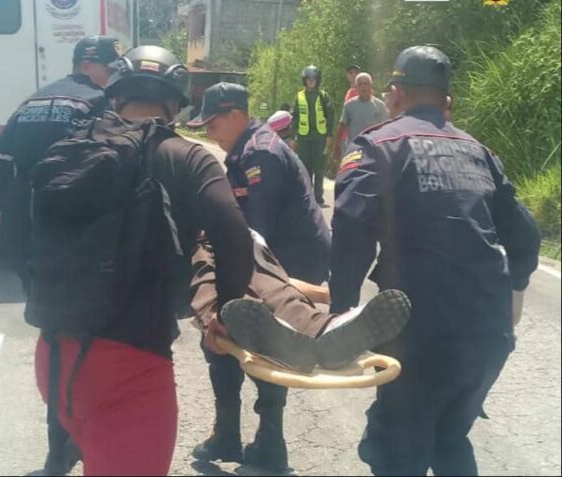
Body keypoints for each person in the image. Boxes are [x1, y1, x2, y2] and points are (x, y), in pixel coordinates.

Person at [32, 45, 255, 476]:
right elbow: (234, 236)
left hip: (55, 360)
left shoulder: (72, 145)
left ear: (116, 95)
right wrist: (226, 314)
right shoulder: (186, 156)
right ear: (175, 103)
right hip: (130, 371)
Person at [329, 45, 541, 476]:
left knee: (395, 448)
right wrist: (512, 293)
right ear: (447, 100)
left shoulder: (379, 145)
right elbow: (526, 238)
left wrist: (341, 313)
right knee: (450, 438)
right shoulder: (480, 152)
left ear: (394, 94)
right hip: (488, 334)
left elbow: (351, 229)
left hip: (420, 335)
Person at [0, 35, 121, 476]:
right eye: (110, 68)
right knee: (84, 340)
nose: (111, 75)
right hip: (70, 235)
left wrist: (4, 207)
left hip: (25, 236)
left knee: (54, 337)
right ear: (93, 65)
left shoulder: (34, 101)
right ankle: (74, 440)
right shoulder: (98, 102)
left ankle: (59, 446)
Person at [186, 82, 332, 470]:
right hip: (274, 253)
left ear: (236, 114)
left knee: (260, 339)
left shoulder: (259, 155)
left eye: (213, 123)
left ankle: (268, 442)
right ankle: (231, 434)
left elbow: (255, 232)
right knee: (225, 332)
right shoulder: (244, 150)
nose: (209, 133)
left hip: (289, 259)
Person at [191, 230, 411, 373]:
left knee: (268, 288)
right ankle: (238, 320)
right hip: (205, 238)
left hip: (238, 238)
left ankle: (319, 328)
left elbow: (281, 282)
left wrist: (327, 295)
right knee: (217, 268)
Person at [291, 65, 335, 206]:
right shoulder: (299, 96)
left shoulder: (323, 96)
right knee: (305, 168)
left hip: (319, 137)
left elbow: (330, 116)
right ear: (304, 80)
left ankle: (318, 197)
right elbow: (295, 117)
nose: (311, 81)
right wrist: (294, 137)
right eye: (308, 79)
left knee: (319, 168)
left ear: (317, 80)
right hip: (303, 138)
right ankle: (307, 195)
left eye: (313, 78)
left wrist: (329, 135)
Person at [332, 73, 389, 162]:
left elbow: (386, 129)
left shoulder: (380, 106)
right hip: (354, 151)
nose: (363, 87)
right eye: (360, 84)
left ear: (371, 86)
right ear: (356, 87)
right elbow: (341, 126)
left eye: (366, 84)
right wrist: (336, 147)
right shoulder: (349, 105)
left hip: (373, 150)